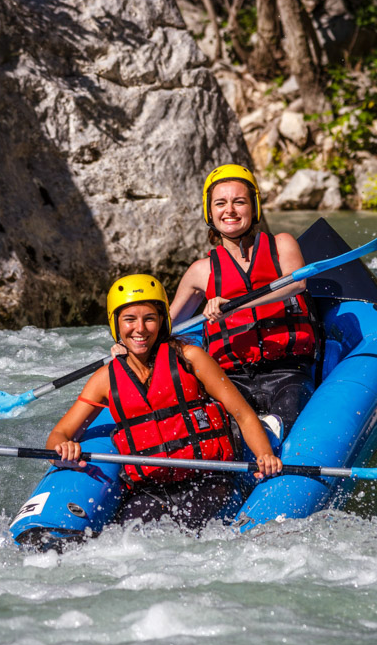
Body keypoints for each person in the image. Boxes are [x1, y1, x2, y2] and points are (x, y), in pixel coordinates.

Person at [46, 274, 282, 530]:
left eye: (149, 318)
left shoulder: (191, 358)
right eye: (129, 320)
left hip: (209, 481)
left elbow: (243, 414)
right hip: (150, 491)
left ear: (162, 321)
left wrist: (265, 455)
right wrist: (63, 451)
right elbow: (60, 434)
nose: (140, 329)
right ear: (116, 325)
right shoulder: (104, 380)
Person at [170, 163, 318, 438]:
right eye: (221, 203)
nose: (230, 210)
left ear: (254, 208)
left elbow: (297, 284)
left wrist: (234, 305)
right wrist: (125, 344)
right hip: (231, 379)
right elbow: (168, 326)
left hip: (287, 371)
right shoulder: (200, 271)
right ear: (209, 212)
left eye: (239, 202)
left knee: (291, 419)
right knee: (226, 437)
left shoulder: (282, 245)